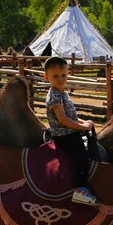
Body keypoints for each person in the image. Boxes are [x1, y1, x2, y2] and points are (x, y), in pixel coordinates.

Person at [43, 56, 99, 206]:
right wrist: (83, 127)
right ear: (46, 77)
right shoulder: (54, 96)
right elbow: (63, 120)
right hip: (64, 136)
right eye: (55, 76)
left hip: (71, 132)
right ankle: (80, 190)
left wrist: (84, 122)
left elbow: (72, 117)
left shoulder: (63, 93)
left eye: (64, 75)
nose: (61, 79)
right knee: (80, 156)